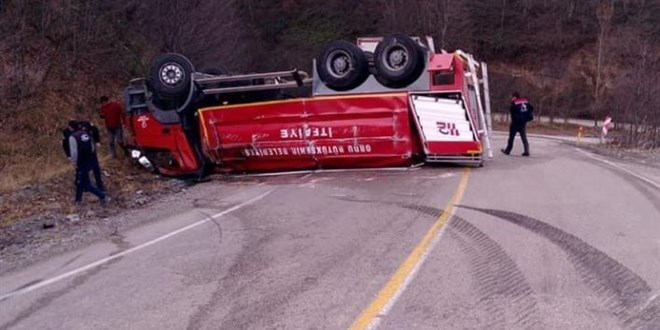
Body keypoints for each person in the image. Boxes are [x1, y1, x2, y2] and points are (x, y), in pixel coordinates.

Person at [69, 122, 108, 206]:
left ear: (71, 128)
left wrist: (74, 162)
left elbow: (74, 152)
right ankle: (78, 200)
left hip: (80, 161)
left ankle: (102, 196)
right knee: (81, 181)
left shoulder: (73, 137)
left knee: (84, 183)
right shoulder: (86, 134)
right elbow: (92, 147)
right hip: (89, 160)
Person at [501, 91, 533, 157]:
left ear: (515, 97)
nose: (511, 98)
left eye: (512, 97)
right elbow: (531, 108)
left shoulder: (514, 103)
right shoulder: (525, 101)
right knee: (523, 137)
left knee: (511, 137)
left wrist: (514, 120)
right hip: (523, 122)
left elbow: (512, 112)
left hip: (515, 123)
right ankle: (526, 150)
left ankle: (508, 150)